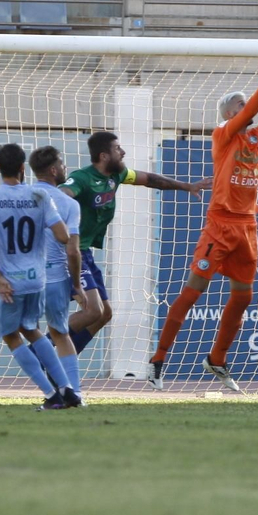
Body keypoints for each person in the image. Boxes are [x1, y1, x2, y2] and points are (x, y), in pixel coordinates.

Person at [147, 42, 258, 391]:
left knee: (243, 296)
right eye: (239, 104)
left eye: (243, 102)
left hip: (247, 227)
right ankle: (158, 360)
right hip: (220, 225)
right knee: (192, 292)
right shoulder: (222, 135)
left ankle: (217, 359)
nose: (245, 106)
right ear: (229, 113)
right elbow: (254, 107)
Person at [0, 147, 85, 409]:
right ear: (22, 168)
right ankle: (68, 389)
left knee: (9, 335)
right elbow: (63, 237)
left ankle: (51, 395)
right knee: (33, 330)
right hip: (36, 279)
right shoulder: (39, 196)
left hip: (9, 282)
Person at [59, 131, 207, 357]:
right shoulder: (82, 178)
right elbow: (61, 194)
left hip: (84, 251)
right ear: (104, 156)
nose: (123, 152)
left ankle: (59, 363)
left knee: (104, 314)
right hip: (68, 251)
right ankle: (39, 351)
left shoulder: (117, 175)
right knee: (93, 311)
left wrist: (187, 186)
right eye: (117, 148)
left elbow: (150, 180)